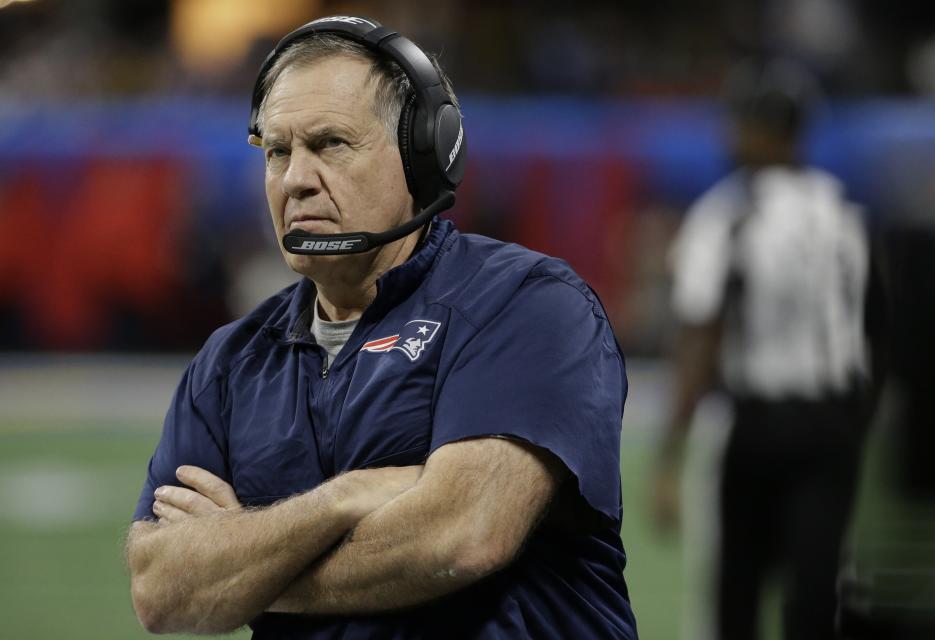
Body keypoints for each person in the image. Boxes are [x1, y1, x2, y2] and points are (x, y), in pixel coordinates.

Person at [125, 16, 638, 639]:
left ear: (423, 154)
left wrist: (239, 564)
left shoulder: (526, 304)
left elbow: (461, 537)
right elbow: (160, 592)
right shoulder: (230, 362)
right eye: (279, 151)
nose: (295, 180)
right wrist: (343, 498)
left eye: (331, 144)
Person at [651, 59, 877, 640]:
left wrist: (670, 455)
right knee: (817, 593)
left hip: (755, 426)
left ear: (761, 129)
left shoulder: (726, 215)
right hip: (834, 425)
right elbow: (873, 330)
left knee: (734, 592)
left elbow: (700, 335)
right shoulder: (843, 214)